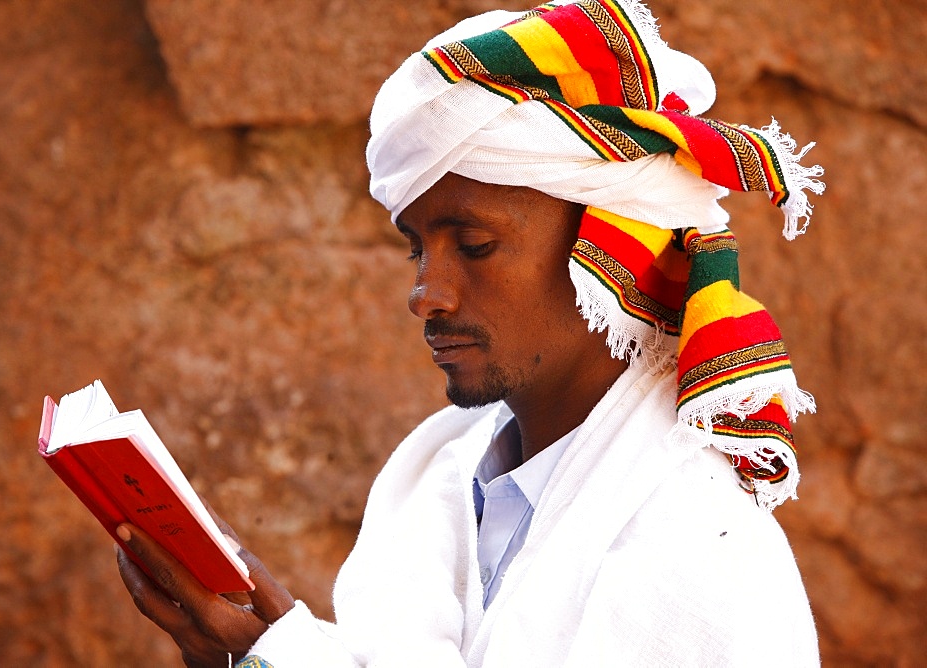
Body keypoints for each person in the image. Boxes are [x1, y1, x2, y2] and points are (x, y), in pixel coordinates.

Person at [116, 1, 825, 665]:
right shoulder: (440, 476)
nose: (427, 294)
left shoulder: (699, 546)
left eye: (475, 245)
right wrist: (264, 643)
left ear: (609, 252)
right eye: (416, 247)